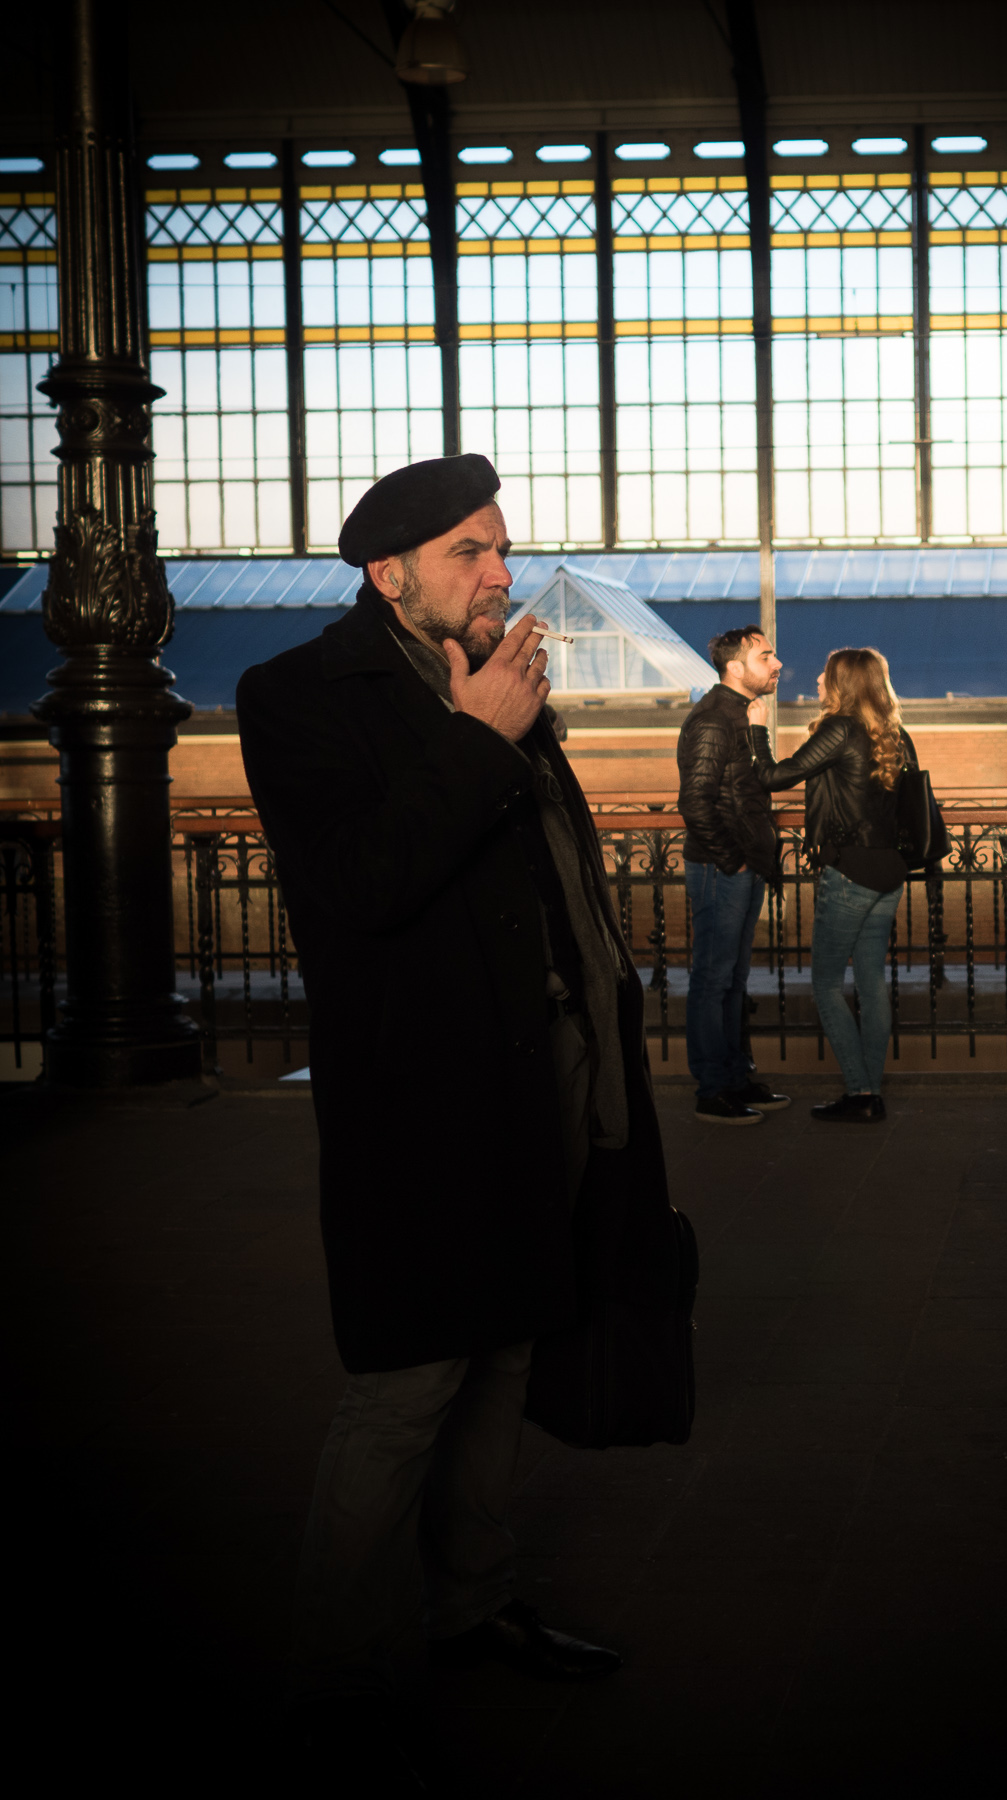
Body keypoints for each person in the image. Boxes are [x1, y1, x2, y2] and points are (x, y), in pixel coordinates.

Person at [236, 455, 676, 1777]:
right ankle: (337, 1678)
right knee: (407, 1381)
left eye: (498, 545)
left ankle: (470, 1607)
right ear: (390, 574)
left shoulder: (495, 678)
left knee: (502, 1355)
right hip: (419, 1102)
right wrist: (476, 732)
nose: (499, 571)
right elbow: (366, 886)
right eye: (471, 553)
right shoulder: (300, 696)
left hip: (537, 1073)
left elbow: (543, 879)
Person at [749, 648, 918, 1124]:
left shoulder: (839, 729)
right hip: (889, 872)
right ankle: (871, 1092)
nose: (818, 682)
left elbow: (772, 777)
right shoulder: (895, 734)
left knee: (825, 984)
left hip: (849, 873)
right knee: (870, 981)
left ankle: (860, 1092)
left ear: (842, 684)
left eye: (825, 675)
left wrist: (757, 731)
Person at [676, 626, 792, 1124]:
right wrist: (732, 859)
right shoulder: (712, 720)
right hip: (721, 868)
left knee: (734, 978)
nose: (777, 663)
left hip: (740, 866)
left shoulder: (739, 715)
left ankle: (736, 1078)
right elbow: (695, 802)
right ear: (734, 666)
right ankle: (713, 1089)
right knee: (714, 978)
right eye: (766, 655)